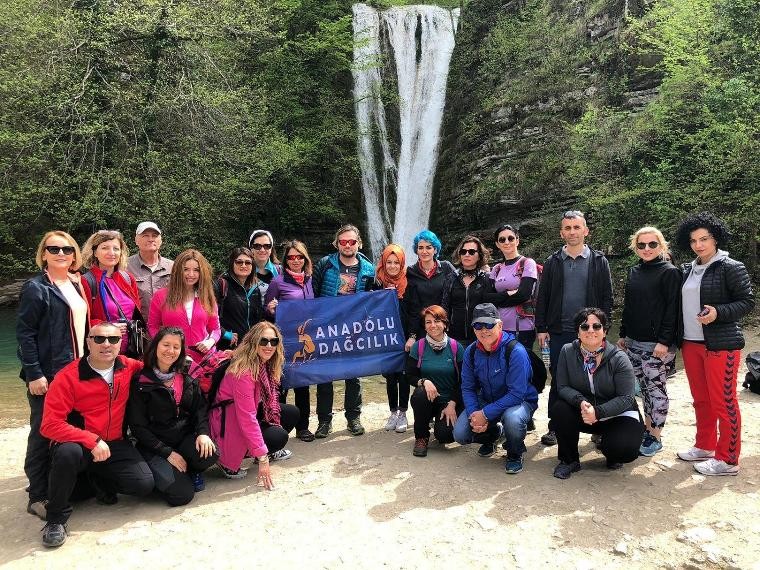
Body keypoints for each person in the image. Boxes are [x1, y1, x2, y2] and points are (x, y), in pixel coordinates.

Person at [39, 322, 154, 547]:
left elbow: (159, 366)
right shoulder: (68, 376)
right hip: (80, 444)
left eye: (113, 339)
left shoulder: (128, 366)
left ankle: (97, 479)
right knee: (68, 454)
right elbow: (49, 425)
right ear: (88, 342)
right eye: (99, 339)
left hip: (115, 443)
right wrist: (91, 440)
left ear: (121, 343)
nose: (106, 344)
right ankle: (55, 519)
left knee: (143, 484)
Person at [675, 212, 754, 476]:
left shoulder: (731, 266)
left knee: (724, 401)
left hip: (721, 344)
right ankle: (705, 446)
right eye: (694, 240)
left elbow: (747, 302)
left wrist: (718, 312)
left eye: (704, 239)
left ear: (715, 239)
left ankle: (728, 459)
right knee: (701, 400)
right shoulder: (688, 269)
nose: (699, 245)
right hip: (691, 342)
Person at [16, 231, 89, 521]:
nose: (61, 254)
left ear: (74, 255)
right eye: (54, 249)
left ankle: (61, 482)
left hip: (76, 370)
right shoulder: (36, 287)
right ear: (43, 253)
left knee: (69, 426)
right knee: (43, 431)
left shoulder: (75, 282)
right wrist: (34, 373)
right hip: (48, 373)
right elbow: (25, 334)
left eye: (67, 249)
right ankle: (37, 495)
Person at [535, 210, 613, 447]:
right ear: (561, 233)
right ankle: (556, 426)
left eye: (576, 227)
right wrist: (541, 327)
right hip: (559, 331)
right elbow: (543, 297)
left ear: (585, 231)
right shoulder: (553, 261)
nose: (572, 232)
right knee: (559, 379)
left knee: (597, 378)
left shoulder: (599, 261)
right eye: (567, 228)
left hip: (591, 331)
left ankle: (598, 426)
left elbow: (607, 298)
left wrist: (602, 328)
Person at [127, 327, 218, 506]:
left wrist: (202, 433)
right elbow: (138, 427)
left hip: (182, 438)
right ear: (155, 346)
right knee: (182, 495)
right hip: (155, 446)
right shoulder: (141, 381)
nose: (171, 351)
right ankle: (159, 473)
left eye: (176, 347)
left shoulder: (186, 375)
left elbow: (199, 408)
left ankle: (189, 468)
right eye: (166, 345)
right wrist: (167, 453)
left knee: (210, 453)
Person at [551, 308, 644, 479]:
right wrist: (580, 402)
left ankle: (610, 447)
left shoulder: (619, 357)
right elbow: (562, 387)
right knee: (560, 408)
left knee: (623, 450)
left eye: (596, 326)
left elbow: (627, 398)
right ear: (578, 332)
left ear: (605, 331)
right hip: (585, 411)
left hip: (618, 414)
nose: (591, 330)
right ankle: (569, 460)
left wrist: (598, 412)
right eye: (585, 327)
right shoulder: (567, 351)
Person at [208, 322, 300, 483]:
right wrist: (263, 458)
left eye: (274, 341)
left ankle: (262, 450)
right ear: (253, 342)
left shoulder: (264, 364)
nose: (269, 346)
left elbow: (266, 401)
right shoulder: (243, 372)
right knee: (279, 437)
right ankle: (228, 459)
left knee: (291, 413)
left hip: (239, 413)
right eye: (263, 341)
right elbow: (247, 417)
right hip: (228, 423)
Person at [617, 226, 680, 457]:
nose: (647, 249)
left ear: (661, 246)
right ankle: (647, 429)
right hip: (633, 341)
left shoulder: (670, 272)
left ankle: (656, 436)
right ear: (636, 247)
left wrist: (664, 341)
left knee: (656, 391)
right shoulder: (634, 271)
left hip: (657, 345)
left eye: (652, 244)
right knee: (641, 390)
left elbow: (673, 310)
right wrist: (623, 334)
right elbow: (629, 307)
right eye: (641, 245)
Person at [453, 303, 538, 474]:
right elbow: (468, 388)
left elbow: (516, 394)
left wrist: (484, 414)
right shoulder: (471, 351)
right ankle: (495, 434)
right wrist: (474, 414)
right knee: (460, 434)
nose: (483, 330)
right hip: (488, 398)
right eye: (478, 325)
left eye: (489, 324)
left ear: (500, 325)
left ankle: (515, 452)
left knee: (513, 420)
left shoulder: (516, 351)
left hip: (519, 401)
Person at [311, 224, 375, 438]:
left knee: (353, 374)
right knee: (325, 374)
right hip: (327, 328)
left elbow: (372, 298)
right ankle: (324, 421)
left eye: (352, 241)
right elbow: (314, 293)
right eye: (343, 242)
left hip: (355, 329)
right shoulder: (325, 264)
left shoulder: (368, 269)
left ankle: (353, 417)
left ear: (359, 243)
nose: (347, 245)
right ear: (336, 243)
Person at [264, 239, 316, 442]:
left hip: (305, 339)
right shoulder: (278, 282)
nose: (295, 261)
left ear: (305, 258)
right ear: (285, 260)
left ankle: (303, 427)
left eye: (299, 257)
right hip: (284, 341)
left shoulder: (311, 280)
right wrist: (270, 309)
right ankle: (280, 430)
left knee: (303, 384)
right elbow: (266, 312)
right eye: (291, 257)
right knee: (281, 384)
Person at [148, 249, 221, 370]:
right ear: (177, 271)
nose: (191, 274)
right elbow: (152, 326)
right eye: (185, 269)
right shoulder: (161, 296)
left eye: (196, 270)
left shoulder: (207, 297)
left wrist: (210, 341)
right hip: (172, 359)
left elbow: (215, 329)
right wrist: (167, 347)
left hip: (205, 361)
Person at [406, 305, 464, 457]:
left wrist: (452, 404)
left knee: (445, 436)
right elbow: (409, 375)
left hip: (449, 402)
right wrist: (424, 381)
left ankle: (441, 424)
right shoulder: (418, 347)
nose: (432, 325)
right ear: (424, 326)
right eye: (428, 322)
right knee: (419, 395)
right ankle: (421, 437)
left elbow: (464, 381)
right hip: (427, 399)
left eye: (437, 321)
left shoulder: (456, 347)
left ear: (445, 323)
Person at [80, 230, 142, 354]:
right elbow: (81, 321)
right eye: (105, 248)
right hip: (104, 348)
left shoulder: (128, 279)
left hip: (130, 348)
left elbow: (135, 312)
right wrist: (107, 327)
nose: (111, 253)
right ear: (94, 252)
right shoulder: (86, 281)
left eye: (116, 248)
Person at [373, 244, 410, 433]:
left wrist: (411, 336)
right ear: (383, 263)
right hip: (385, 338)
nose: (393, 266)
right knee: (390, 377)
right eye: (389, 262)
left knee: (403, 377)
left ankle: (403, 412)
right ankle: (392, 412)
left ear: (402, 263)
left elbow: (413, 312)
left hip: (403, 338)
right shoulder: (377, 283)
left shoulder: (408, 282)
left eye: (397, 262)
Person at [441, 235, 504, 346]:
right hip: (454, 337)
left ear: (479, 255)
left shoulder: (487, 278)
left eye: (471, 252)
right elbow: (445, 306)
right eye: (463, 251)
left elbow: (492, 307)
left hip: (481, 336)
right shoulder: (451, 278)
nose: (466, 255)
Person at [404, 230, 456, 351]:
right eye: (420, 247)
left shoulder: (446, 267)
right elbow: (412, 306)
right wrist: (412, 335)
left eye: (429, 247)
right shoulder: (411, 272)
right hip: (423, 328)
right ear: (416, 250)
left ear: (435, 250)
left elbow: (460, 285)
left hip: (445, 326)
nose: (424, 251)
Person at [490, 224, 539, 349]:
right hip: (498, 328)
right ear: (497, 244)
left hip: (522, 328)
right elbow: (487, 297)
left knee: (520, 366)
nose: (507, 242)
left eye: (510, 238)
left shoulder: (527, 263)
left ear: (517, 240)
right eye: (502, 239)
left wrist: (499, 299)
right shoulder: (496, 269)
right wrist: (508, 293)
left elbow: (524, 295)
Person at [214, 247, 263, 351]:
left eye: (248, 263)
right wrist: (225, 333)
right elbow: (209, 315)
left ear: (252, 265)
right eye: (239, 262)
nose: (243, 265)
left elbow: (258, 319)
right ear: (232, 263)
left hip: (250, 348)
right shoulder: (221, 285)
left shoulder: (255, 289)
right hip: (227, 348)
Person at [126, 222, 173, 322]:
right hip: (138, 330)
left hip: (168, 329)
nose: (151, 239)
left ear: (160, 241)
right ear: (136, 240)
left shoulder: (173, 267)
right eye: (145, 235)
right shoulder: (125, 267)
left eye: (154, 236)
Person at [248, 229, 281, 303]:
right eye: (257, 246)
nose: (262, 250)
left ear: (271, 249)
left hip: (275, 314)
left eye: (267, 246)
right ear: (251, 248)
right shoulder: (244, 271)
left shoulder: (281, 271)